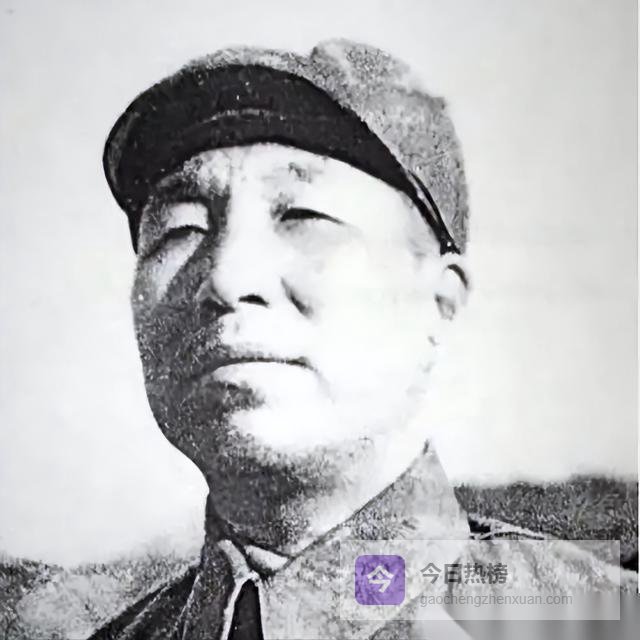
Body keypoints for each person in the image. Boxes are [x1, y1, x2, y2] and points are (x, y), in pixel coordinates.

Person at [90, 39, 633, 640]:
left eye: (302, 216)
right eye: (179, 229)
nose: (225, 278)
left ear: (439, 300)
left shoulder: (596, 621)